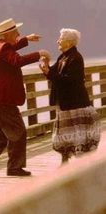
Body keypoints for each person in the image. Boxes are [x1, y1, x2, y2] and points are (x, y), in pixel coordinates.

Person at [0, 18, 50, 177]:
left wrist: (26, 39)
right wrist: (39, 54)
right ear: (7, 34)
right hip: (1, 98)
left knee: (3, 135)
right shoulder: (3, 49)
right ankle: (14, 168)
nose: (19, 34)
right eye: (16, 32)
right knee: (19, 131)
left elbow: (11, 47)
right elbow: (17, 60)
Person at [39, 28, 101, 164]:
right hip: (64, 101)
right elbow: (54, 74)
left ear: (69, 42)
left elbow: (70, 79)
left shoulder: (76, 58)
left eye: (60, 39)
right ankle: (65, 158)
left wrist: (49, 73)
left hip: (75, 102)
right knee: (63, 132)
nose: (57, 41)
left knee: (76, 132)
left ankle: (81, 160)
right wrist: (46, 66)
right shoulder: (63, 56)